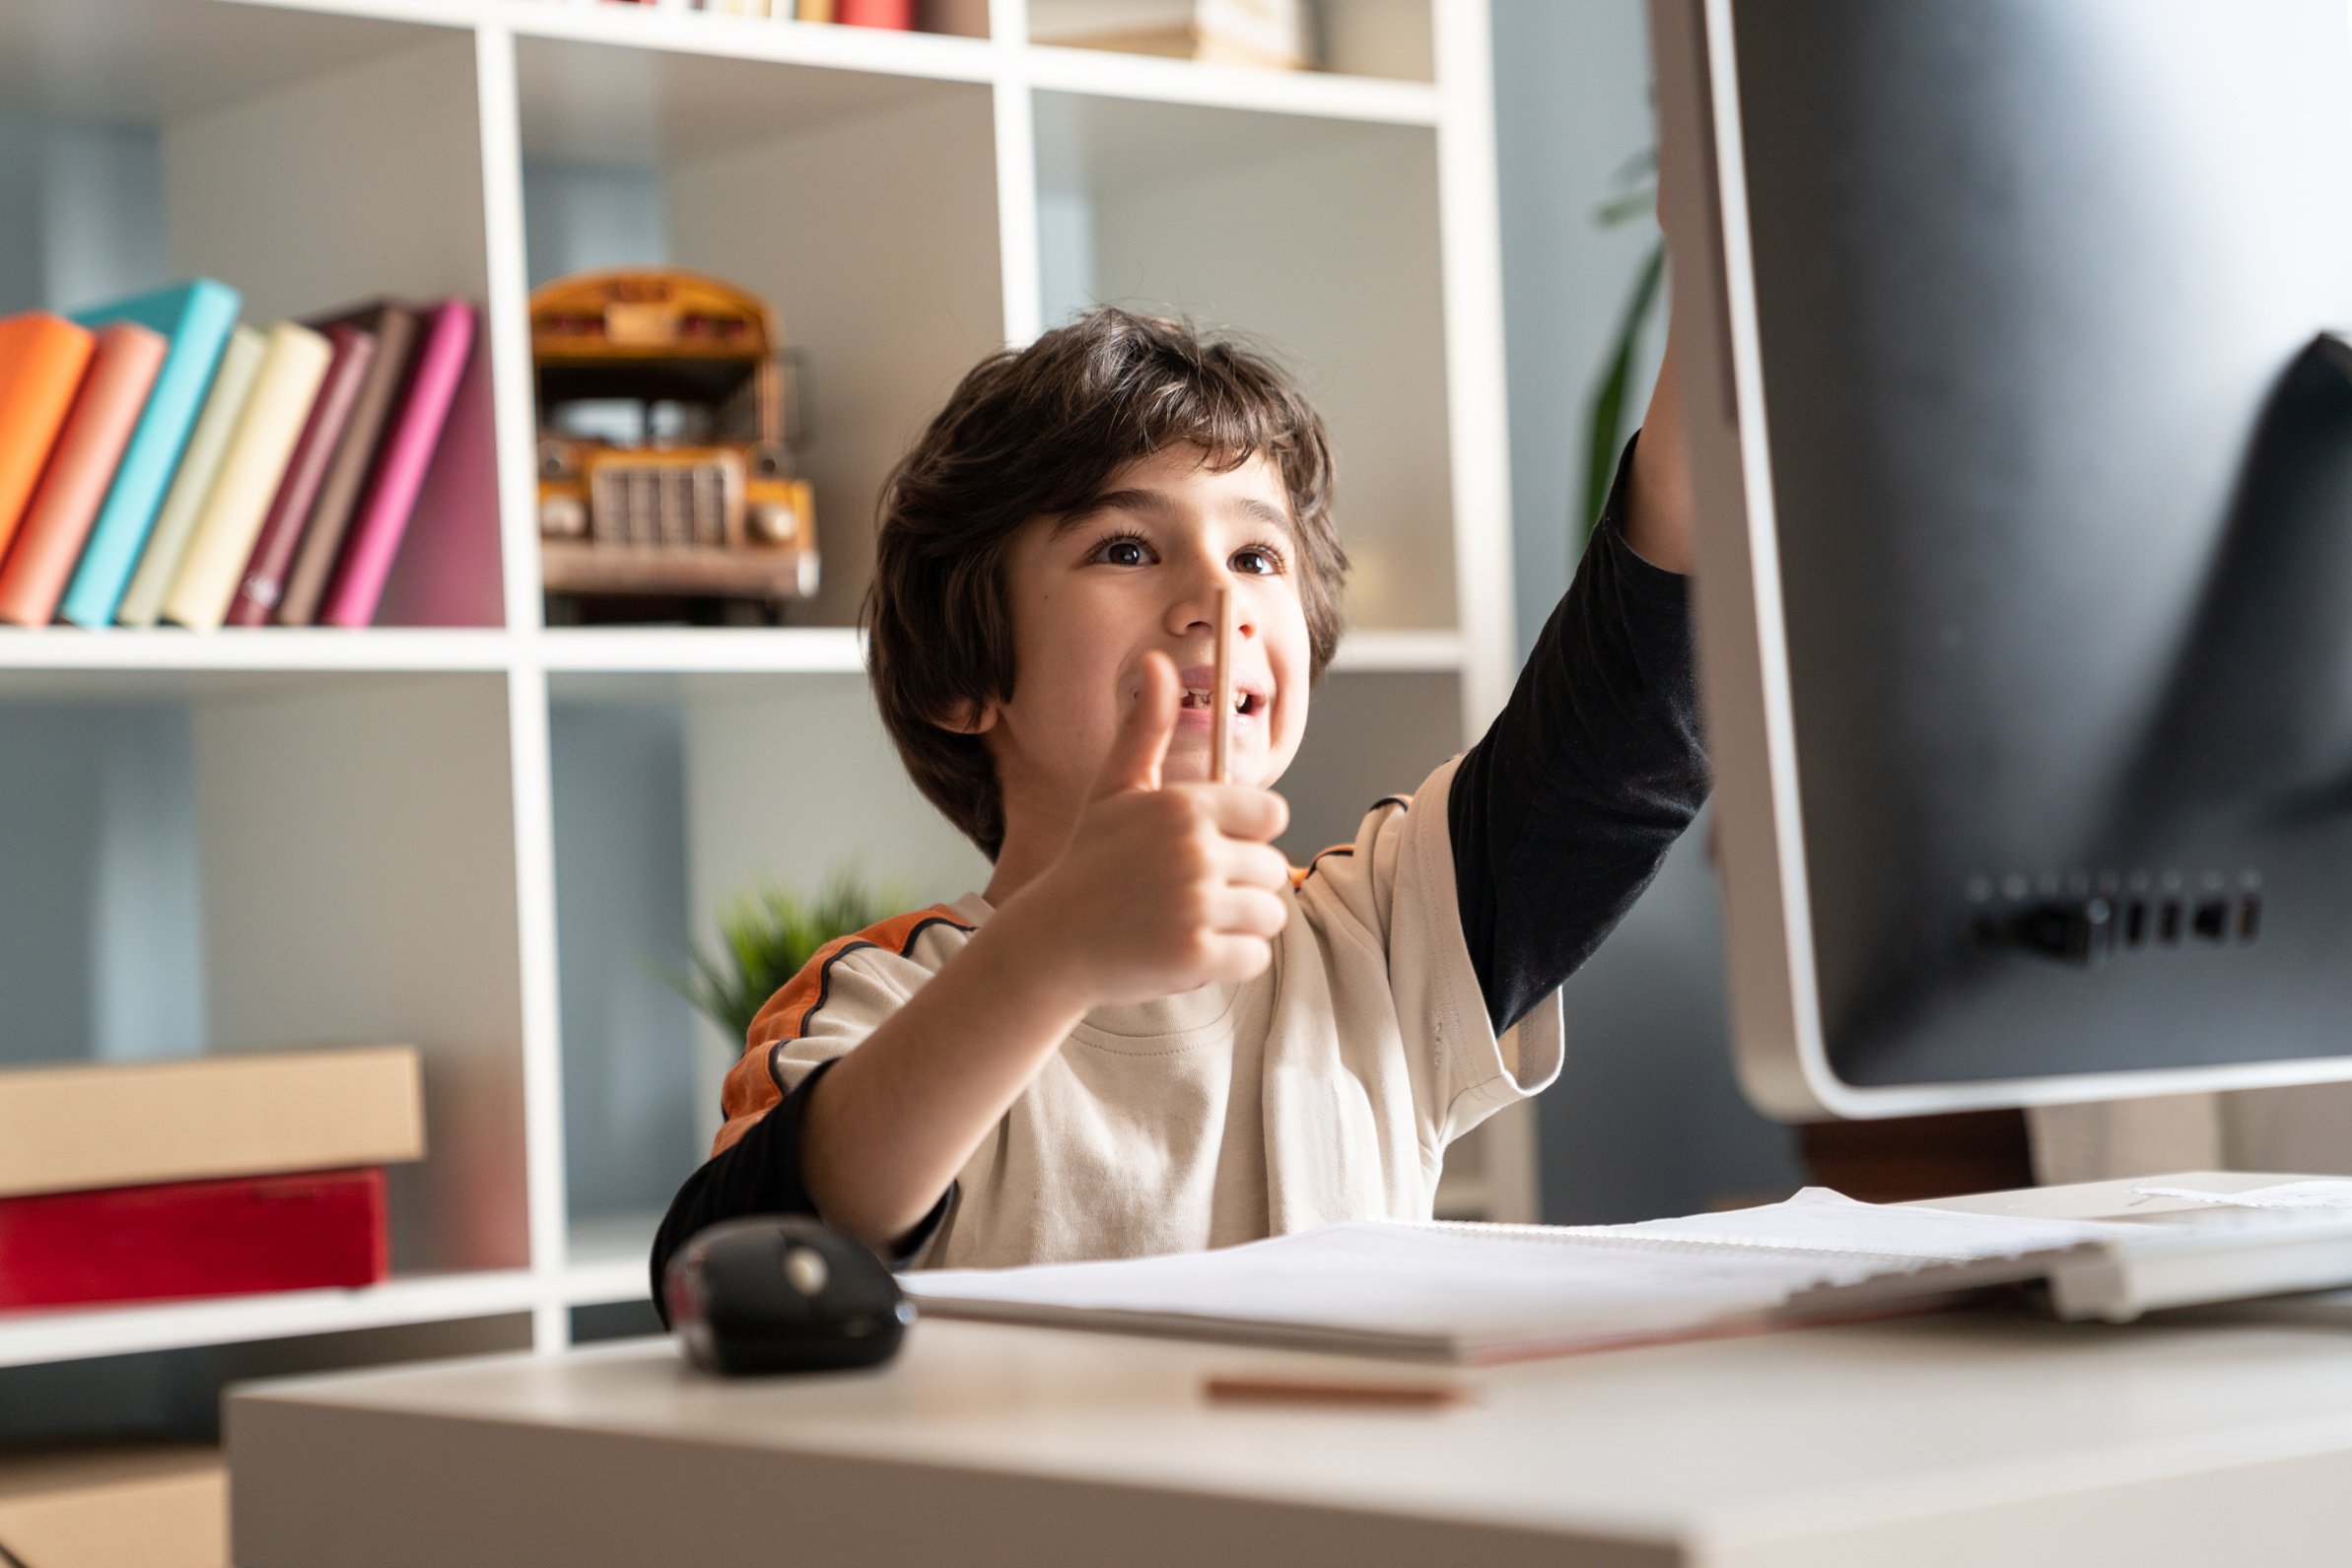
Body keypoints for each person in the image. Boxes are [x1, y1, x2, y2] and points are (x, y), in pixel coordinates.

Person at [650, 302, 1704, 1305]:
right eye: (1126, 548)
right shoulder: (880, 1000)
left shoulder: (1384, 940)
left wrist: (1713, 239)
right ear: (960, 679)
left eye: (1257, 554)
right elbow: (726, 1263)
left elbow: (1634, 692)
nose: (1220, 597)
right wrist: (1053, 944)